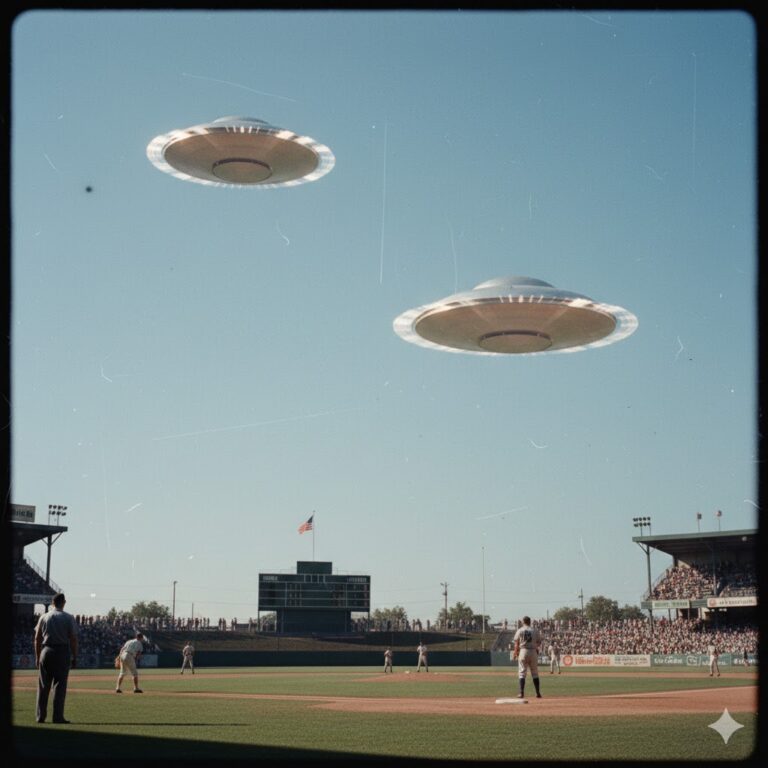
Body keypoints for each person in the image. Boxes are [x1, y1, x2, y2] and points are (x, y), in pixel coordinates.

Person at [34, 593, 78, 724]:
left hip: (46, 651)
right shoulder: (68, 617)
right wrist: (75, 656)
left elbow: (37, 638)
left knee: (43, 685)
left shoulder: (44, 616)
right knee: (60, 686)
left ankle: (40, 716)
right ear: (64, 602)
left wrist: (37, 656)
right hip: (62, 651)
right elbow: (73, 639)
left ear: (52, 603)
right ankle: (57, 717)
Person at [512, 616, 542, 699]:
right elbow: (539, 642)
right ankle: (538, 693)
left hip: (523, 651)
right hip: (533, 651)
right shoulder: (535, 630)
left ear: (523, 622)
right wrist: (535, 647)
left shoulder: (520, 630)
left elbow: (516, 643)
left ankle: (521, 693)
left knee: (522, 672)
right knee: (535, 672)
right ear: (530, 622)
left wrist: (515, 652)